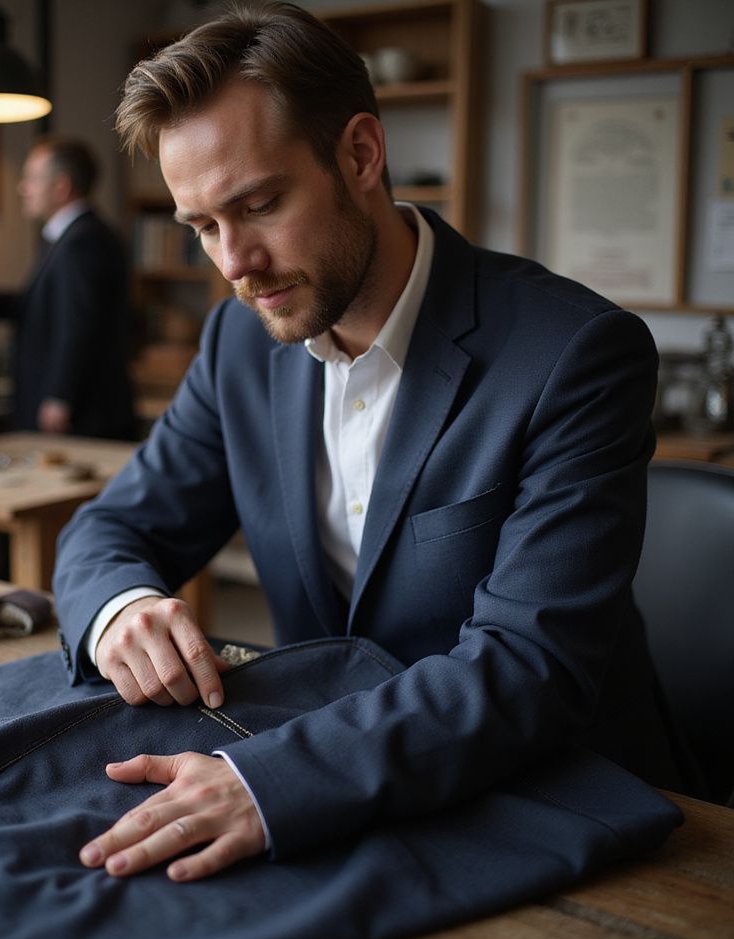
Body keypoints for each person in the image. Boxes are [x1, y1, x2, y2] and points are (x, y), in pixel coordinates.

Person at [53, 3, 685, 884]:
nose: (234, 263)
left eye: (260, 205)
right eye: (202, 227)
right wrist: (121, 608)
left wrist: (270, 781)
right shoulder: (239, 343)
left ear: (359, 155)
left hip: (554, 808)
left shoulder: (574, 353)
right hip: (343, 817)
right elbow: (109, 531)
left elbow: (527, 668)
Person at [0, 137, 136, 439]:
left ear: (61, 187)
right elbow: (41, 307)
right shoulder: (69, 238)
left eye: (33, 179)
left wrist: (60, 395)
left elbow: (80, 324)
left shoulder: (83, 242)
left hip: (82, 413)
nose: (23, 187)